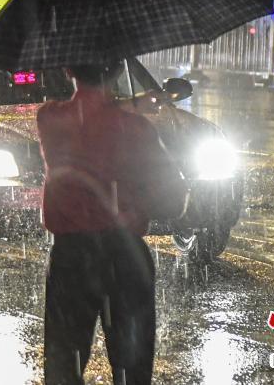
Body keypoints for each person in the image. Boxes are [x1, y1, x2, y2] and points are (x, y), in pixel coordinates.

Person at [36, 60, 189, 385]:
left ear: (68, 70)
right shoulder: (137, 130)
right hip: (126, 259)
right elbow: (174, 200)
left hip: (70, 260)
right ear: (118, 72)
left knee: (64, 367)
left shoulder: (50, 120)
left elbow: (88, 116)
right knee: (132, 369)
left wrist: (127, 106)